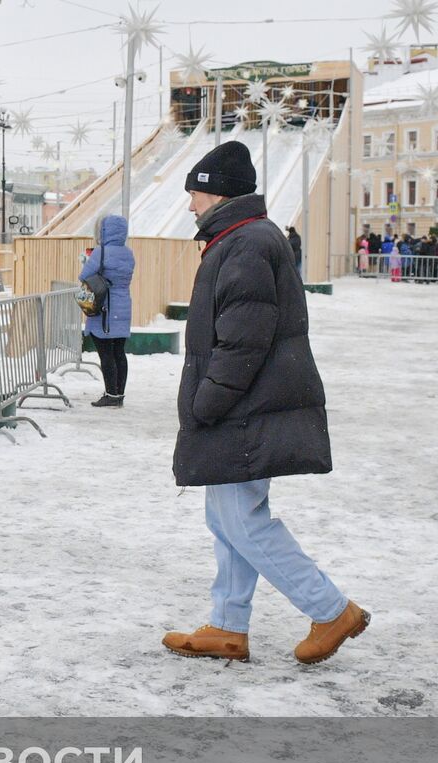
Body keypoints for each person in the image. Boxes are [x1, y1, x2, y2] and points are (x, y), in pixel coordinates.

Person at [162, 140, 369, 665]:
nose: (190, 206)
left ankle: (330, 609)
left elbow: (244, 341)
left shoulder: (247, 244)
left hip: (243, 410)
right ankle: (228, 625)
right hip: (247, 406)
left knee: (242, 519)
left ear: (218, 195)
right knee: (227, 516)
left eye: (195, 195)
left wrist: (207, 404)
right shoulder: (239, 238)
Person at [78, 214, 136, 407]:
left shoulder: (100, 252)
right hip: (123, 305)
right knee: (119, 352)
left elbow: (84, 275)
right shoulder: (128, 253)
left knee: (105, 353)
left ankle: (111, 395)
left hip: (104, 308)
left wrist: (87, 260)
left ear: (104, 231)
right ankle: (119, 394)